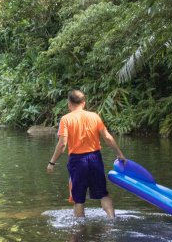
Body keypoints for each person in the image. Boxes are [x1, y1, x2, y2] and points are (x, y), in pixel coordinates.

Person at [47, 90, 126, 218]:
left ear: (69, 103)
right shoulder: (94, 116)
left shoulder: (66, 119)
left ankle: (80, 230)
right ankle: (112, 220)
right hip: (95, 158)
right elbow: (107, 137)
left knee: (78, 199)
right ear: (84, 103)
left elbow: (62, 145)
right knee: (103, 194)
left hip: (77, 161)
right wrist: (119, 153)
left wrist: (52, 162)